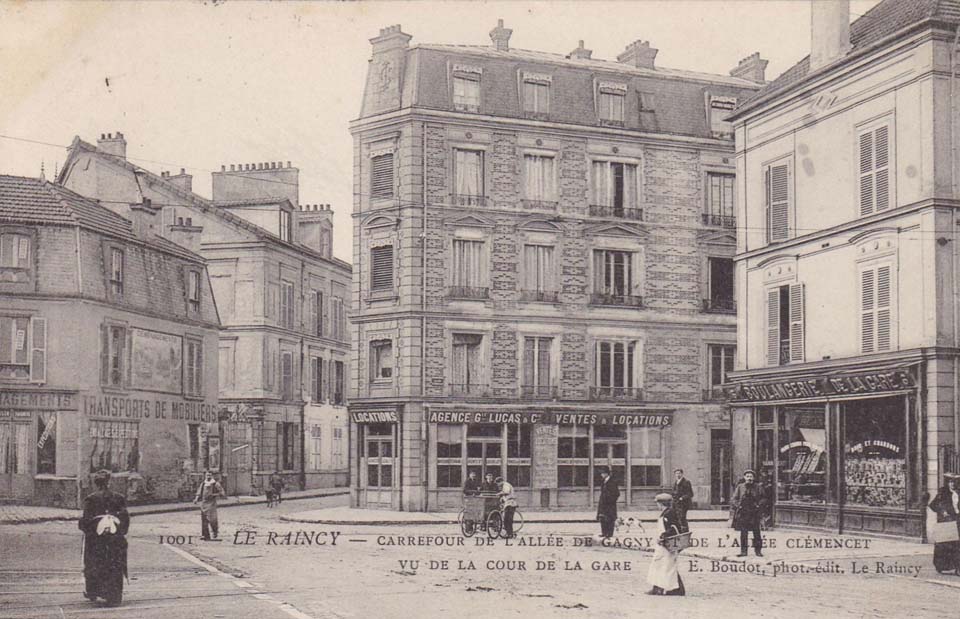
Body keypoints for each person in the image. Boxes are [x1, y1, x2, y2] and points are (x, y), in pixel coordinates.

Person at [78, 469, 130, 607]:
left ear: (96, 483)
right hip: (115, 539)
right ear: (109, 481)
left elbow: (85, 521)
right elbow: (125, 518)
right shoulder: (119, 498)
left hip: (96, 540)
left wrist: (89, 529)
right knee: (116, 563)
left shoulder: (91, 499)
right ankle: (114, 595)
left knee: (93, 563)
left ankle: (94, 591)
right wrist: (120, 531)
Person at [646, 493, 685, 596]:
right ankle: (657, 588)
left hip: (668, 544)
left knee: (668, 567)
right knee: (659, 565)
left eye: (658, 503)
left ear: (661, 504)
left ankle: (676, 589)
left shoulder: (669, 514)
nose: (657, 506)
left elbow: (673, 529)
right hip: (663, 544)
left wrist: (663, 536)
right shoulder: (666, 513)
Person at [928, 474, 960, 574]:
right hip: (947, 521)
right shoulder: (943, 493)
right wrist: (942, 511)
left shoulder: (958, 493)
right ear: (947, 483)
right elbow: (933, 505)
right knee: (946, 544)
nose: (952, 484)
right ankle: (941, 565)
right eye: (950, 482)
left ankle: (957, 567)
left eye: (954, 482)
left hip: (958, 519)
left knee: (957, 544)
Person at [730, 469, 763, 557]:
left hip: (754, 513)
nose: (749, 478)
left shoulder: (758, 487)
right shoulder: (740, 487)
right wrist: (738, 506)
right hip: (743, 513)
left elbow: (764, 499)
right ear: (744, 477)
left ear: (754, 478)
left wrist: (758, 506)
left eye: (751, 476)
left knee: (757, 532)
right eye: (747, 476)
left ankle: (758, 551)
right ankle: (743, 552)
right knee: (743, 533)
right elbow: (734, 499)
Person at [194, 470, 226, 541]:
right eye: (207, 475)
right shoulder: (203, 484)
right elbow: (199, 492)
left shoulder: (215, 484)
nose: (208, 476)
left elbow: (222, 493)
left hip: (211, 504)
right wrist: (196, 499)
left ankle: (215, 532)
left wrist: (214, 495)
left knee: (212, 519)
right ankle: (205, 535)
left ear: (212, 476)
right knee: (204, 519)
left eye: (209, 475)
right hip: (204, 504)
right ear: (205, 476)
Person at [596, 467, 619, 538]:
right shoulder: (603, 482)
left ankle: (609, 534)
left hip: (609, 505)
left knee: (610, 519)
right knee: (603, 518)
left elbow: (617, 493)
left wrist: (610, 501)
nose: (601, 475)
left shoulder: (613, 482)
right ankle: (604, 533)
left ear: (606, 474)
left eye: (602, 473)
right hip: (603, 504)